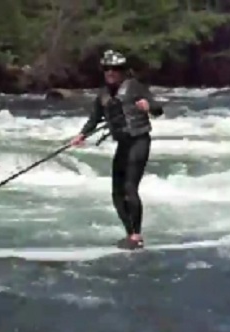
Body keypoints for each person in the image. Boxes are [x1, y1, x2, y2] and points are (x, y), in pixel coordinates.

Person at [70, 49, 164, 250]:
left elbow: (158, 108)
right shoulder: (103, 94)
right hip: (123, 144)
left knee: (130, 188)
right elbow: (95, 118)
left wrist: (149, 107)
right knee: (116, 193)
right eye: (107, 69)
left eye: (116, 69)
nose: (111, 72)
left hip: (139, 140)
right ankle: (130, 234)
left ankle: (137, 236)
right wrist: (82, 135)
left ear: (123, 71)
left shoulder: (135, 87)